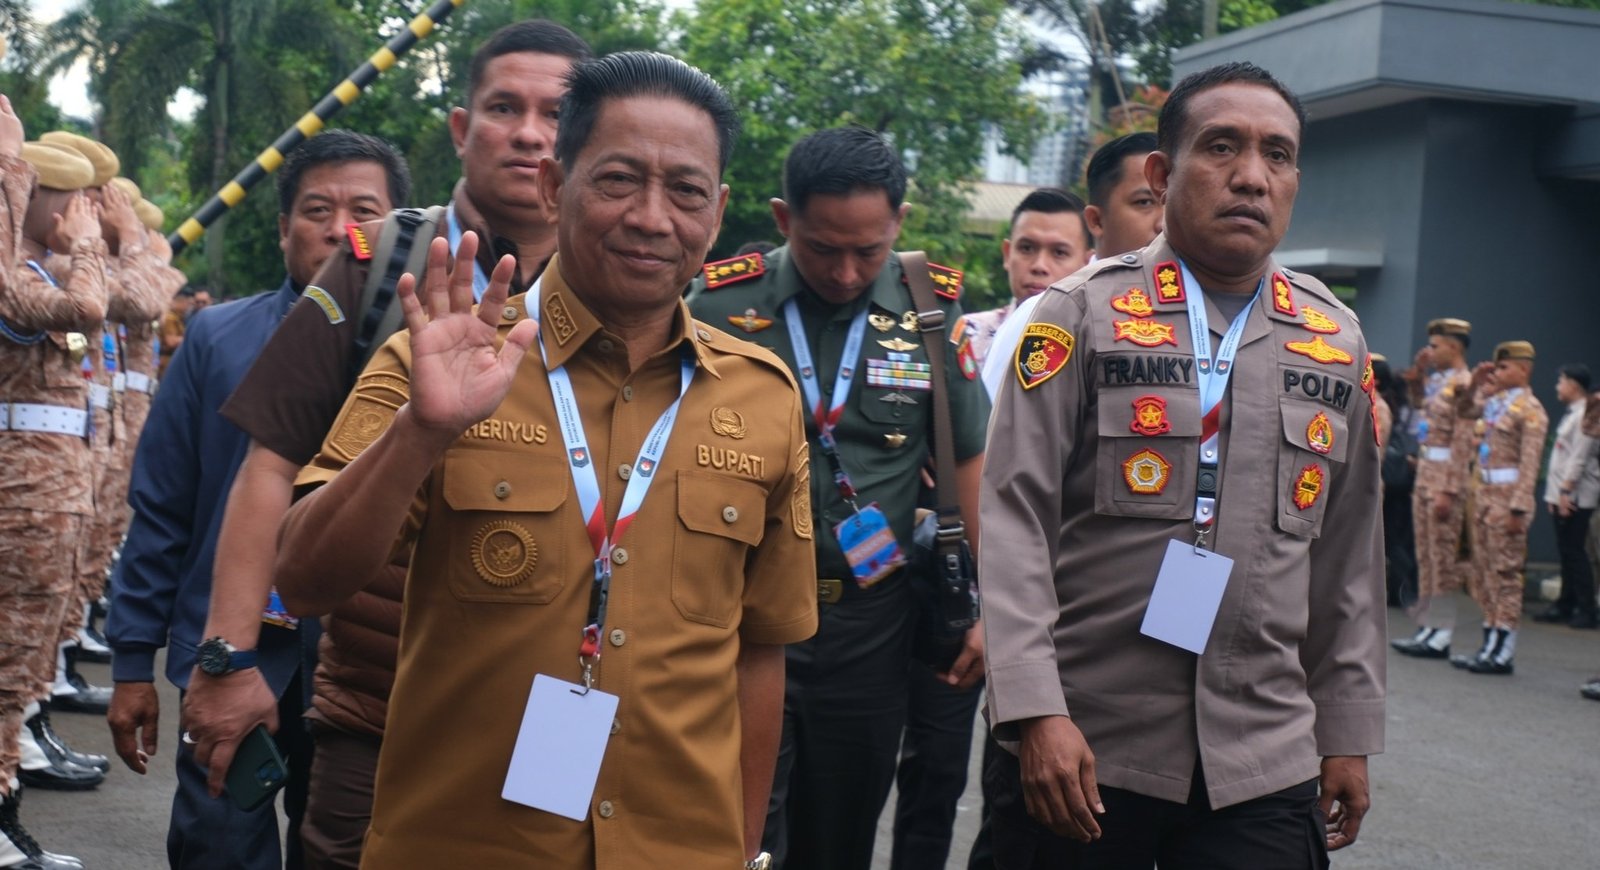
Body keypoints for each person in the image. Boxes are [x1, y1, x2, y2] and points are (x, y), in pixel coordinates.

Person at [274, 51, 814, 869]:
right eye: (619, 180)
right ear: (556, 186)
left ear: (719, 211)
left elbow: (760, 649)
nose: (652, 218)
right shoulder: (444, 360)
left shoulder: (764, 397)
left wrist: (740, 851)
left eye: (686, 191)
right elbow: (305, 580)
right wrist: (420, 433)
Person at [192, 22, 590, 869]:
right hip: (380, 705)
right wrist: (226, 658)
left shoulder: (625, 281)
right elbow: (269, 464)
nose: (529, 134)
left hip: (558, 708)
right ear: (461, 129)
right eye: (504, 108)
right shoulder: (379, 265)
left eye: (556, 114)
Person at [980, 62, 1384, 868]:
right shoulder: (1080, 313)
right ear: (1164, 175)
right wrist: (1033, 709)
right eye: (1222, 147)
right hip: (1086, 744)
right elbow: (1014, 517)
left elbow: (1348, 555)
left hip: (1262, 755)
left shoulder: (1334, 339)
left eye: (1277, 155)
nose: (1251, 177)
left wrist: (1346, 730)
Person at [688, 125, 990, 870]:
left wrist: (991, 605)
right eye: (824, 249)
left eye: (869, 250)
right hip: (739, 616)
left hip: (869, 620)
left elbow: (971, 460)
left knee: (842, 833)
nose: (848, 272)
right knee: (735, 830)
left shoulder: (929, 312)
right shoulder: (720, 306)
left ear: (899, 223)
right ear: (783, 218)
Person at [103, 130, 407, 870]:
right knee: (215, 847)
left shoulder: (430, 352)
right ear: (282, 229)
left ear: (399, 230)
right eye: (317, 210)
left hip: (363, 670)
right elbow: (164, 509)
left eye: (365, 212)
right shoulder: (215, 338)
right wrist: (132, 662)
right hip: (227, 659)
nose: (340, 231)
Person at [1, 125, 108, 870]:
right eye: (73, 200)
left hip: (49, 489)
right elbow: (90, 311)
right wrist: (91, 248)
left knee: (24, 660)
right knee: (9, 662)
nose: (82, 213)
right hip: (24, 493)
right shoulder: (17, 273)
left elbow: (83, 326)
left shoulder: (36, 270)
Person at [979, 132, 1164, 398]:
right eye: (1144, 202)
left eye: (1173, 201)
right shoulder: (1050, 314)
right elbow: (996, 421)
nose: (1163, 222)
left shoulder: (1206, 308)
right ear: (1096, 221)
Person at [1447, 342, 1548, 675]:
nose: (1498, 373)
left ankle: (1503, 649)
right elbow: (1464, 410)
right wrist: (1475, 384)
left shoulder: (1530, 410)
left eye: (1504, 367)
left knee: (1505, 575)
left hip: (1507, 502)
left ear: (1524, 369)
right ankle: (1489, 642)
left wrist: (1519, 508)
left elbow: (1530, 464)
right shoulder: (1496, 404)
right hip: (1485, 496)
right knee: (1486, 574)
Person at [1390, 319, 1475, 659]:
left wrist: (1449, 490)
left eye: (1436, 346)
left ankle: (1442, 631)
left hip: (1443, 480)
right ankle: (1429, 625)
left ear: (1453, 347)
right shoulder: (1439, 381)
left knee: (1442, 559)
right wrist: (1419, 374)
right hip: (1426, 474)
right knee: (1426, 557)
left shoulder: (1465, 384)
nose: (1430, 350)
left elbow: (1463, 441)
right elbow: (1419, 407)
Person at [964, 189, 1091, 373]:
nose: (1039, 266)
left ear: (1088, 264)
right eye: (1026, 248)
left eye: (1059, 252)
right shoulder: (966, 336)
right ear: (1007, 254)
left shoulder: (1098, 346)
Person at [1534, 364, 1597, 629]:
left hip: (1576, 495)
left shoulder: (1587, 414)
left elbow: (1578, 459)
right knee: (1567, 551)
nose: (1557, 387)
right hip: (1564, 494)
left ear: (1573, 385)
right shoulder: (1574, 413)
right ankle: (1565, 604)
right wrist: (1554, 495)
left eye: (1561, 381)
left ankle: (1587, 609)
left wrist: (1565, 492)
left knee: (1575, 551)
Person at [1372, 354, 1419, 608]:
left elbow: (1372, 453)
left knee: (1379, 543)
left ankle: (1399, 589)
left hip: (1370, 485)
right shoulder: (1373, 403)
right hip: (1372, 484)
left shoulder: (1378, 407)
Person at [158, 287, 193, 376]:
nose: (189, 307)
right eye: (189, 304)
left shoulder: (177, 317)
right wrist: (192, 338)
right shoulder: (170, 318)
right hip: (167, 361)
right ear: (181, 302)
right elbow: (171, 341)